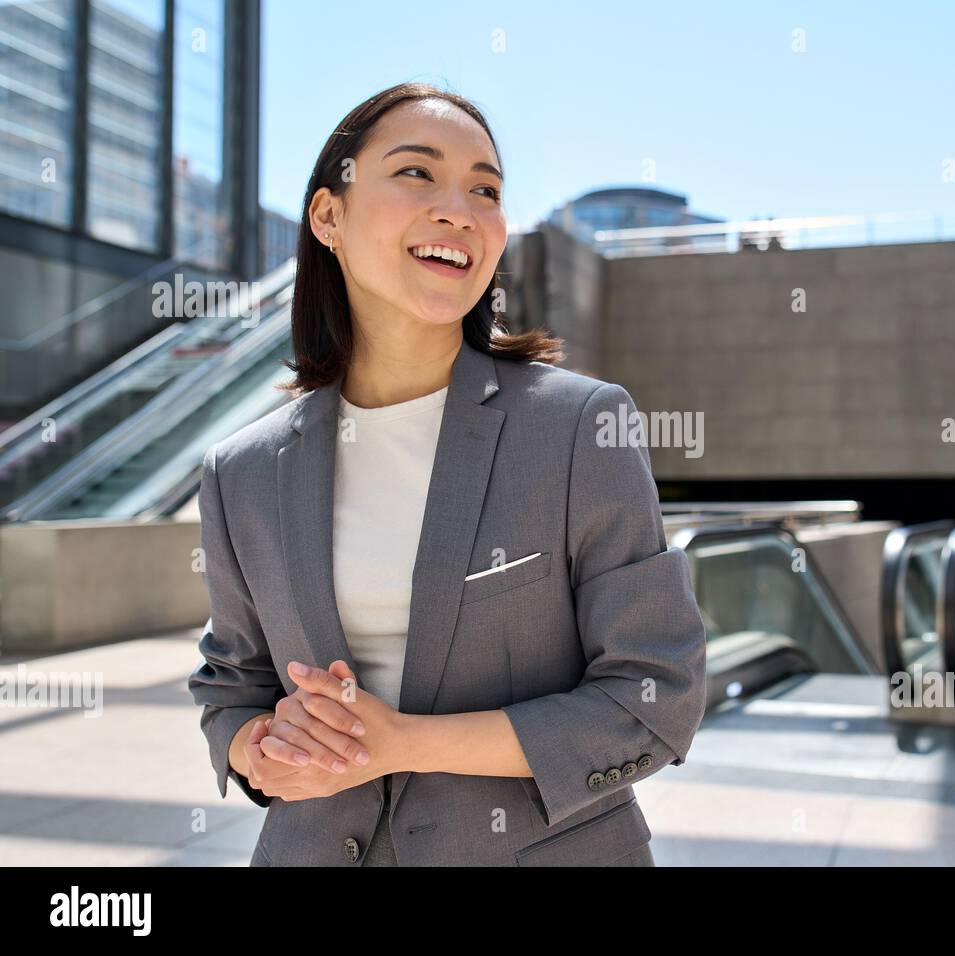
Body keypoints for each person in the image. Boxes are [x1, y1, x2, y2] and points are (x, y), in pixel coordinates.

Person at [187, 82, 709, 866]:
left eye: (486, 189)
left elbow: (654, 697)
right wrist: (258, 750)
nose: (459, 209)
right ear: (329, 215)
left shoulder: (578, 428)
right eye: (416, 173)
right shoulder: (242, 472)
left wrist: (401, 744)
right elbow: (231, 683)